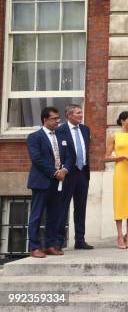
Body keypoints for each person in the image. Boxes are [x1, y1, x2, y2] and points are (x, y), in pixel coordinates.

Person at [26, 107, 72, 258]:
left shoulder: (61, 135)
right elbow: (37, 159)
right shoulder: (34, 137)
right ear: (45, 120)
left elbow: (68, 156)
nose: (58, 121)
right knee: (37, 215)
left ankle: (50, 245)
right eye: (54, 119)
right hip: (42, 181)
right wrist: (54, 172)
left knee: (55, 214)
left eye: (58, 118)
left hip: (58, 182)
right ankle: (34, 247)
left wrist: (64, 170)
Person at [56, 103, 93, 250]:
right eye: (77, 113)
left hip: (83, 172)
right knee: (62, 206)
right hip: (68, 173)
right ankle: (58, 241)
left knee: (81, 207)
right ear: (69, 115)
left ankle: (80, 239)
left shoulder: (85, 129)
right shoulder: (60, 131)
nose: (81, 115)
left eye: (81, 112)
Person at [104, 111, 128, 249]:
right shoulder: (114, 136)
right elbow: (106, 157)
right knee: (120, 202)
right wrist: (122, 157)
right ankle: (120, 236)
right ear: (122, 121)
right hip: (121, 171)